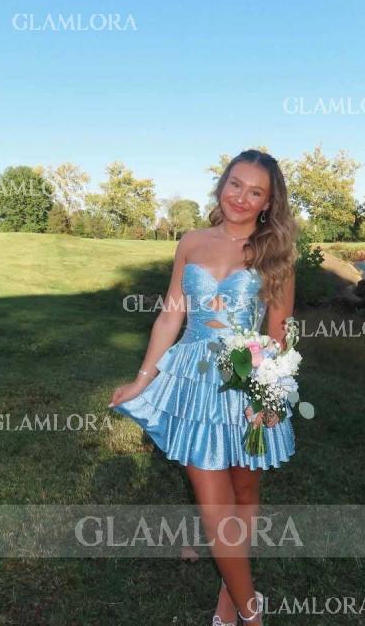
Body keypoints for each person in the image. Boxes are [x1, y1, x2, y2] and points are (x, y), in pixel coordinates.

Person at [109, 149, 298, 625]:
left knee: (244, 490)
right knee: (214, 501)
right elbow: (171, 314)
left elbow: (279, 332)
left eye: (255, 192)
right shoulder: (191, 241)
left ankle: (228, 598)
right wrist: (142, 380)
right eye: (235, 184)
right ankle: (252, 613)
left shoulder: (274, 254)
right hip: (192, 383)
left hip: (247, 382)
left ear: (268, 202)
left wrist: (268, 395)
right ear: (222, 183)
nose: (241, 197)